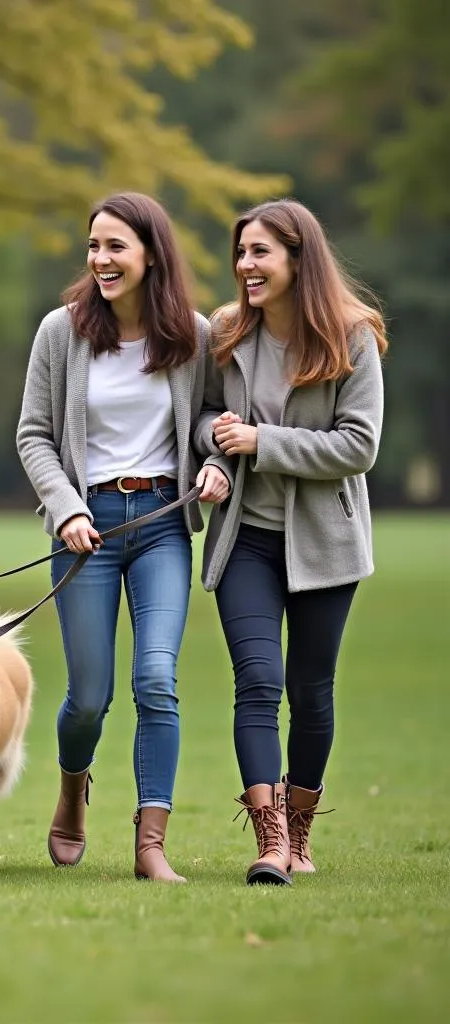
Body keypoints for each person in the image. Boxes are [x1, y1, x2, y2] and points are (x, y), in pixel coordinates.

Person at [16, 192, 230, 883]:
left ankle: (150, 846)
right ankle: (73, 790)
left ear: (151, 254)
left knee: (157, 680)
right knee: (88, 697)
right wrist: (67, 508)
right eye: (93, 247)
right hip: (86, 532)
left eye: (115, 247)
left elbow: (207, 421)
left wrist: (218, 465)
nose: (101, 260)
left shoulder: (191, 335)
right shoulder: (62, 332)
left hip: (162, 524)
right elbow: (34, 435)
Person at [194, 198, 387, 886]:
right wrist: (216, 458)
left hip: (324, 545)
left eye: (260, 253)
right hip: (245, 538)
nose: (245, 266)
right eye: (241, 253)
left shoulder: (351, 336)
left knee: (310, 693)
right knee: (258, 683)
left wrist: (261, 442)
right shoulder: (224, 332)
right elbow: (202, 421)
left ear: (298, 259)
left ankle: (301, 833)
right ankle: (270, 840)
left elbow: (359, 446)